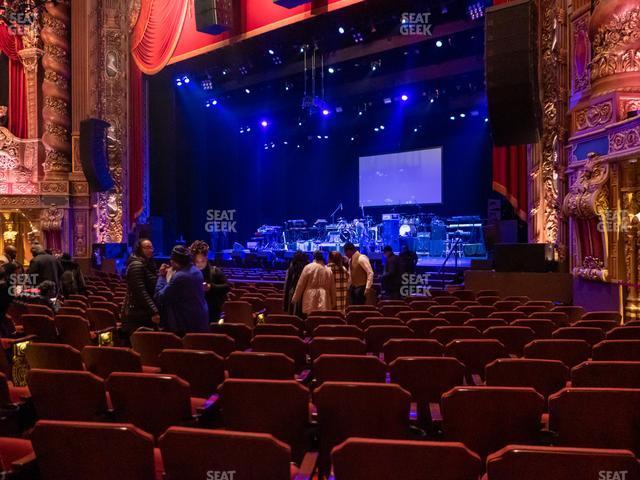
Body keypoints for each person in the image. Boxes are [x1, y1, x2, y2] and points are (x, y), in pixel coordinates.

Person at [155, 245, 209, 335]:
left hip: (186, 324)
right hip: (199, 320)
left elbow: (159, 297)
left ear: (173, 262)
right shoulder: (196, 271)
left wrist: (162, 276)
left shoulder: (180, 276)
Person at [123, 239, 159, 336]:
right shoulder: (136, 265)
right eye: (147, 248)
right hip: (138, 313)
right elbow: (140, 291)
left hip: (143, 311)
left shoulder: (146, 263)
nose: (151, 250)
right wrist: (154, 311)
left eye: (151, 247)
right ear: (139, 249)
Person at [189, 240, 230, 323]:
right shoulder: (189, 273)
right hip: (194, 312)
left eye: (202, 261)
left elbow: (227, 287)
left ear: (207, 258)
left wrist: (211, 287)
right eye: (197, 261)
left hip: (213, 312)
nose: (200, 264)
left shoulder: (215, 271)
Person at [292, 250, 336, 315]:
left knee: (310, 318)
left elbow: (301, 284)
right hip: (324, 297)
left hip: (310, 297)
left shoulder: (308, 267)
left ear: (314, 257)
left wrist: (295, 298)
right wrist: (333, 302)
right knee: (322, 318)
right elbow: (332, 288)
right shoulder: (328, 270)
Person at [283, 251, 308, 317]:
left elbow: (287, 285)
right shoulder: (307, 267)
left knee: (293, 314)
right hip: (305, 294)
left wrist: (285, 304)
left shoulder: (292, 267)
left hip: (293, 292)